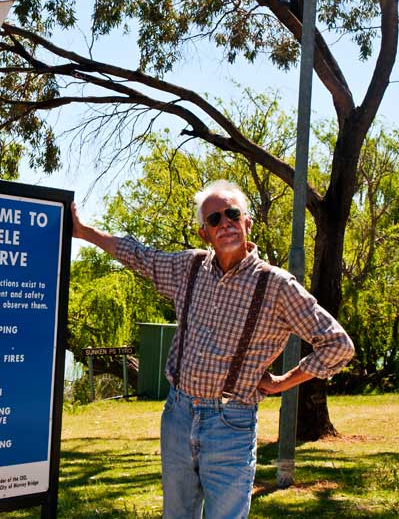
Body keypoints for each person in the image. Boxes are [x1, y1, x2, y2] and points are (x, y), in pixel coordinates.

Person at [71, 180, 354, 519]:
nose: (226, 224)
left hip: (231, 423)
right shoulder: (187, 268)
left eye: (233, 214)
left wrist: (283, 383)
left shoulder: (277, 286)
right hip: (177, 415)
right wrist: (85, 232)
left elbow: (337, 344)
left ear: (247, 221)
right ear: (205, 233)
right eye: (215, 219)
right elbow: (137, 255)